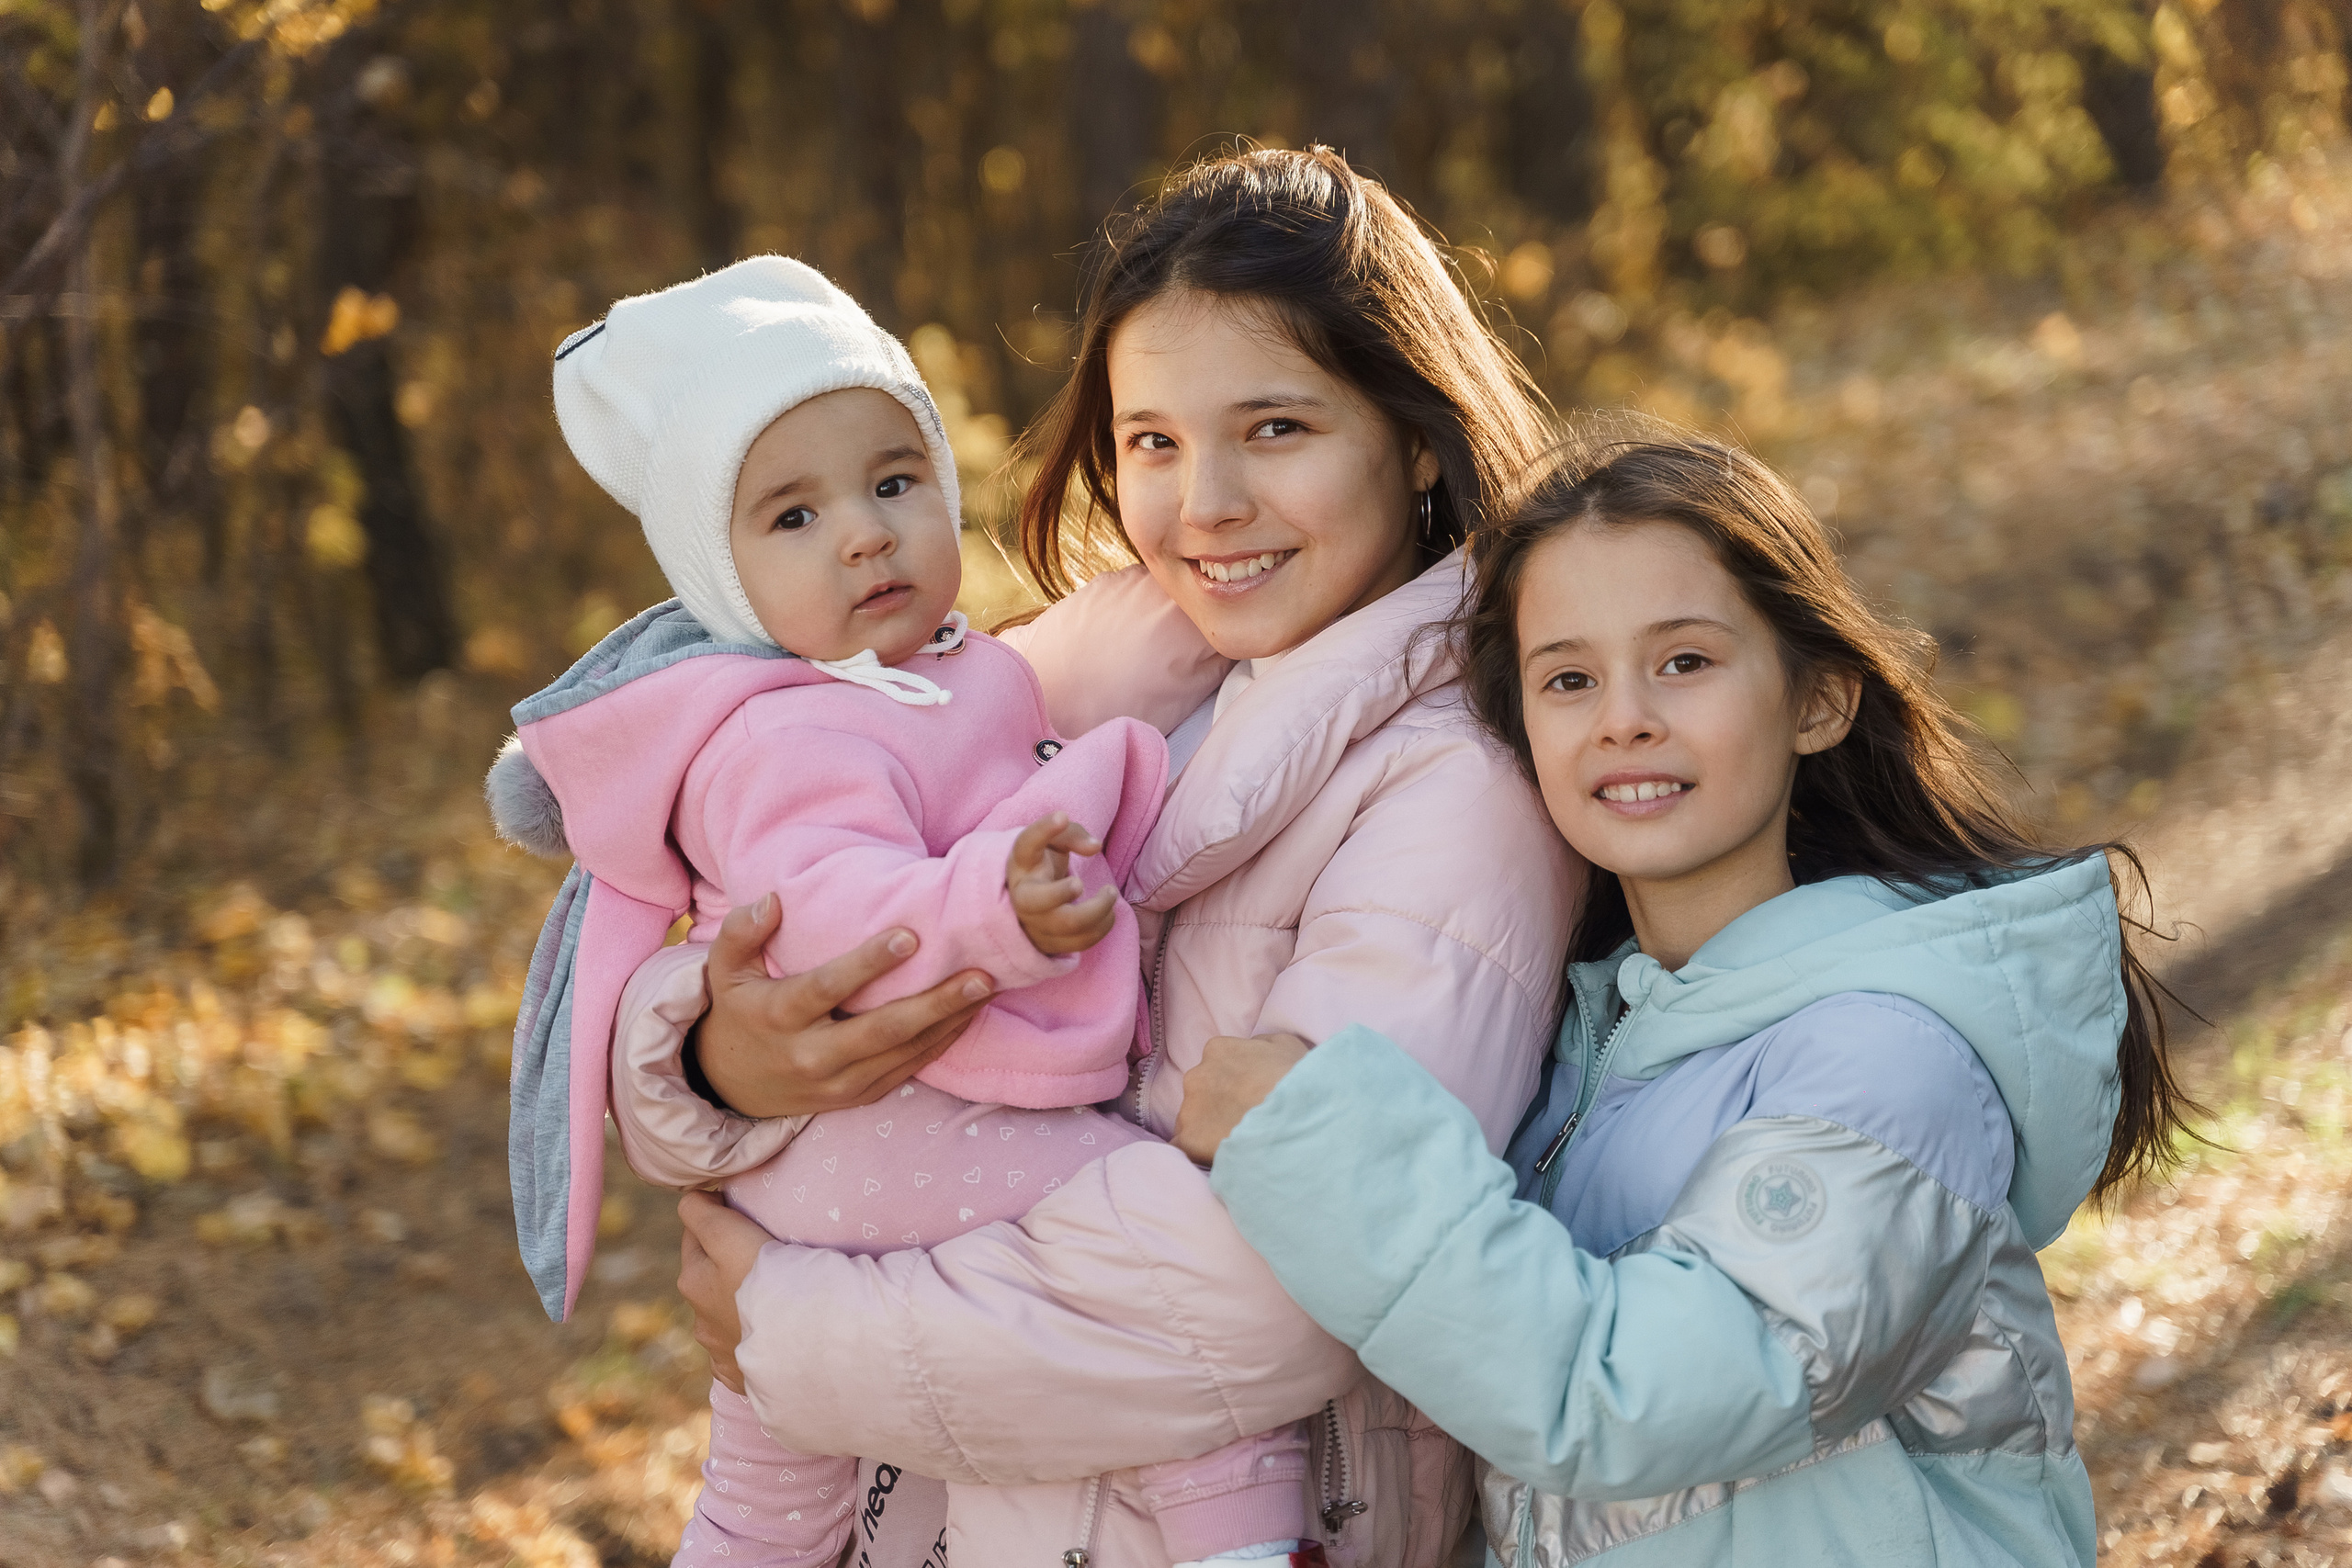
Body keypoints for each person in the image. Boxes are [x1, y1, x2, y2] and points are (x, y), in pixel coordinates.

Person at [629, 147, 1580, 1566]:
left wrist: (795, 1331)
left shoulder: (1457, 784)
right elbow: (760, 929)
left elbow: (1292, 1286)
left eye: (1275, 428)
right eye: (1153, 441)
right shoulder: (1054, 685)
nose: (1205, 502)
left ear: (1414, 431)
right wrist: (717, 1058)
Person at [1170, 433, 2196, 1566]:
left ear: (1817, 701)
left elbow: (1629, 1402)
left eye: (1685, 663)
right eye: (1568, 679)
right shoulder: (1580, 1048)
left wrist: (1322, 1145)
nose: (1623, 719)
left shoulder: (1889, 1058)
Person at [488, 255, 1317, 1568]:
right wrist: (992, 907)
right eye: (793, 516)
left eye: (891, 483)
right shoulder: (781, 733)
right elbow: (824, 912)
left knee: (772, 1486)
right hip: (891, 1131)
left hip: (870, 1138)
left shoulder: (941, 673)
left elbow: (1089, 666)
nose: (865, 533)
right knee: (1159, 1251)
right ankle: (1251, 1539)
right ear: (722, 577)